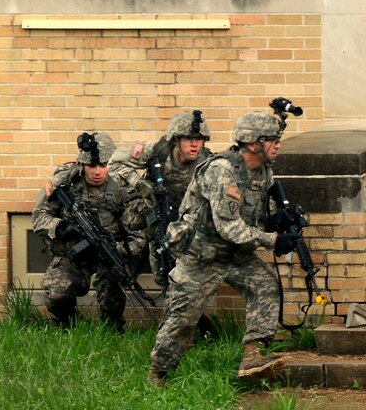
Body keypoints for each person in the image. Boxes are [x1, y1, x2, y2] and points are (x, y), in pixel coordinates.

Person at [147, 112, 294, 387]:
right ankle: (158, 374)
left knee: (265, 286)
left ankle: (253, 355)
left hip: (236, 256)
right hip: (202, 257)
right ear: (252, 143)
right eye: (272, 140)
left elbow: (258, 209)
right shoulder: (222, 170)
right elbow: (228, 227)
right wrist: (273, 240)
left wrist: (281, 221)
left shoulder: (263, 170)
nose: (277, 145)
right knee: (182, 321)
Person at [32, 132, 148, 331]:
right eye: (92, 166)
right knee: (58, 291)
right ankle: (65, 327)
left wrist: (117, 249)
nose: (97, 171)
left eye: (103, 165)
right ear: (82, 165)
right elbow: (39, 216)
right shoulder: (65, 183)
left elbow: (138, 236)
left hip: (109, 254)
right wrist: (59, 226)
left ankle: (112, 331)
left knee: (112, 290)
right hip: (73, 254)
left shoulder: (124, 188)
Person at [112, 110, 213, 287]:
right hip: (158, 217)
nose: (195, 144)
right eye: (189, 139)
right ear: (175, 139)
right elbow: (114, 162)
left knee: (187, 276)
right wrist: (139, 184)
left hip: (188, 224)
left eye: (199, 139)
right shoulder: (156, 151)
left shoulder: (208, 162)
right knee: (162, 274)